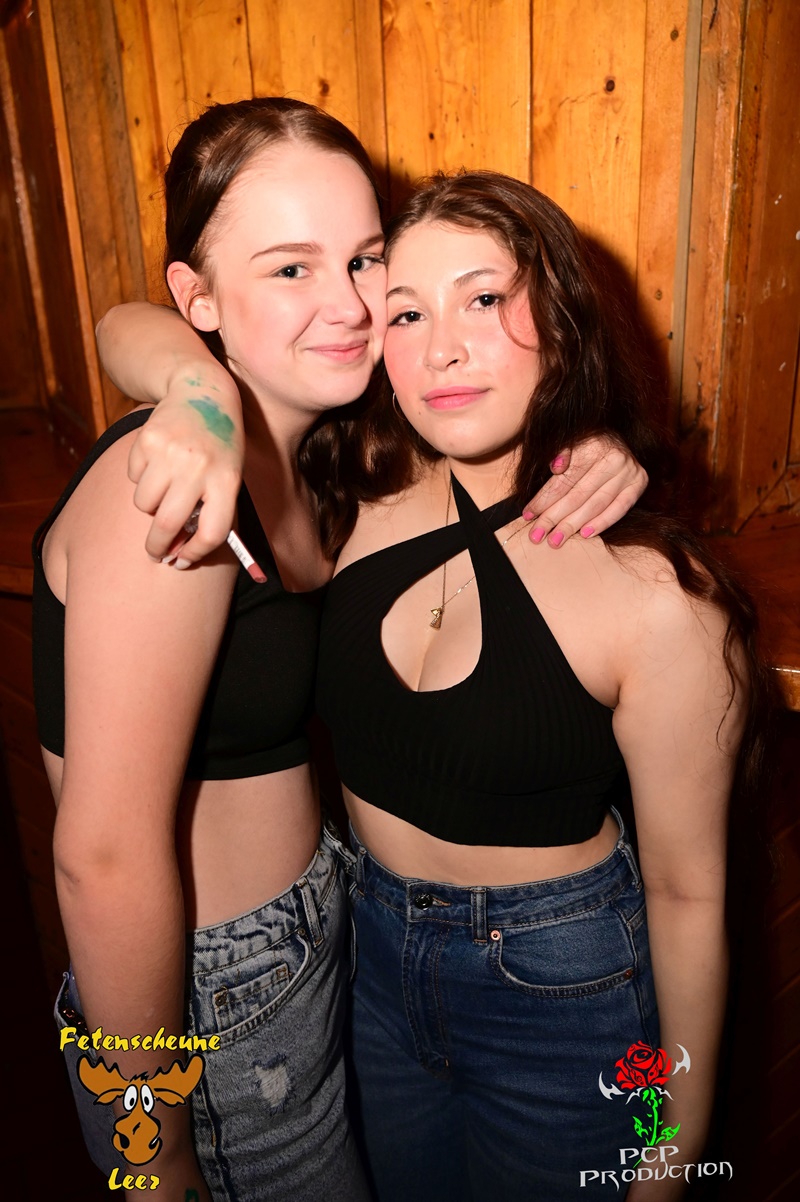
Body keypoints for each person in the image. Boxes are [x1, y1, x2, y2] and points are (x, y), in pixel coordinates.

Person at [109, 165, 767, 1202]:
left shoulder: (659, 600)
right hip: (365, 962)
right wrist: (199, 393)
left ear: (562, 318)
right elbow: (128, 323)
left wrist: (670, 1150)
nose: (442, 348)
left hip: (561, 990)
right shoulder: (358, 488)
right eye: (407, 312)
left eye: (484, 298)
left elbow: (688, 896)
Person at [35, 99, 644, 1202]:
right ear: (198, 299)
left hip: (330, 946)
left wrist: (587, 439)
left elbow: (135, 323)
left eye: (364, 259)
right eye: (290, 268)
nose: (352, 304)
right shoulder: (167, 489)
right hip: (203, 1005)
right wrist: (148, 1146)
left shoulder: (327, 456)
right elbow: (102, 855)